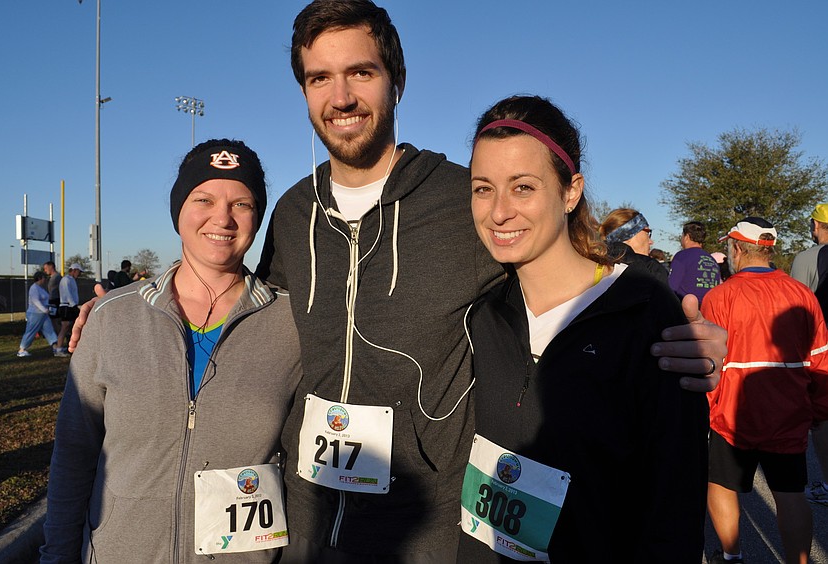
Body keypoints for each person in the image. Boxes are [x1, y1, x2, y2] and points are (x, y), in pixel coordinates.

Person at [70, 2, 726, 560]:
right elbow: (245, 309)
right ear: (303, 91)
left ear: (395, 80)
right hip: (308, 523)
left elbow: (559, 270)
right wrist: (127, 311)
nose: (341, 95)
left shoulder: (459, 199)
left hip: (427, 527)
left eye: (361, 71)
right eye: (319, 77)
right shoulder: (294, 211)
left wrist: (663, 320)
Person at [456, 95, 709, 563]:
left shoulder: (645, 314)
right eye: (483, 188)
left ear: (570, 192)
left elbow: (674, 507)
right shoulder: (483, 315)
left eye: (523, 187)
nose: (499, 212)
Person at [40, 139, 302, 563]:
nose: (223, 218)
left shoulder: (292, 323)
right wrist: (57, 555)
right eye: (204, 199)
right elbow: (74, 453)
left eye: (242, 204)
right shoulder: (111, 317)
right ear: (178, 210)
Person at [701, 217, 828, 564]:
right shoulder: (802, 294)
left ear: (738, 248)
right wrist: (819, 410)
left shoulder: (719, 296)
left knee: (723, 486)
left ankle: (732, 556)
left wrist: (707, 411)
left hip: (732, 415)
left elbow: (709, 366)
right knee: (790, 493)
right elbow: (821, 359)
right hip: (788, 415)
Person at [789, 203, 828, 507]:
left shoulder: (808, 257)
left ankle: (827, 484)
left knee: (823, 417)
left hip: (821, 348)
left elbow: (796, 308)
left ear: (816, 225)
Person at [600, 208, 670, 283]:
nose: (651, 242)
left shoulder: (594, 266)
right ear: (628, 235)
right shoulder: (651, 269)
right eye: (647, 233)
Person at [669, 221, 722, 305]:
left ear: (686, 237)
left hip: (687, 310)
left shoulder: (681, 256)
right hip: (708, 310)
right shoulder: (712, 259)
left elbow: (672, 287)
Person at [17, 271, 63, 357]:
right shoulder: (34, 288)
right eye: (44, 278)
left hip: (43, 314)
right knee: (31, 331)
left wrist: (48, 308)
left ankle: (55, 347)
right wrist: (45, 309)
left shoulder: (40, 288)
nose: (45, 279)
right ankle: (22, 349)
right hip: (35, 314)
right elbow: (36, 301)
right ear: (40, 278)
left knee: (49, 330)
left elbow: (44, 300)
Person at [55, 263, 81, 354]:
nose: (79, 274)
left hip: (70, 306)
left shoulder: (72, 280)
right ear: (74, 270)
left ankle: (69, 346)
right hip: (66, 306)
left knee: (70, 327)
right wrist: (73, 305)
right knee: (65, 327)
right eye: (78, 271)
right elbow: (68, 293)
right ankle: (59, 348)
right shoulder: (66, 279)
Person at [43, 261, 62, 333]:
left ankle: (60, 336)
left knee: (55, 320)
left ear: (51, 267)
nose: (45, 270)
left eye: (46, 268)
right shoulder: (51, 278)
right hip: (51, 302)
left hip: (55, 302)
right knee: (53, 320)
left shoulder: (57, 277)